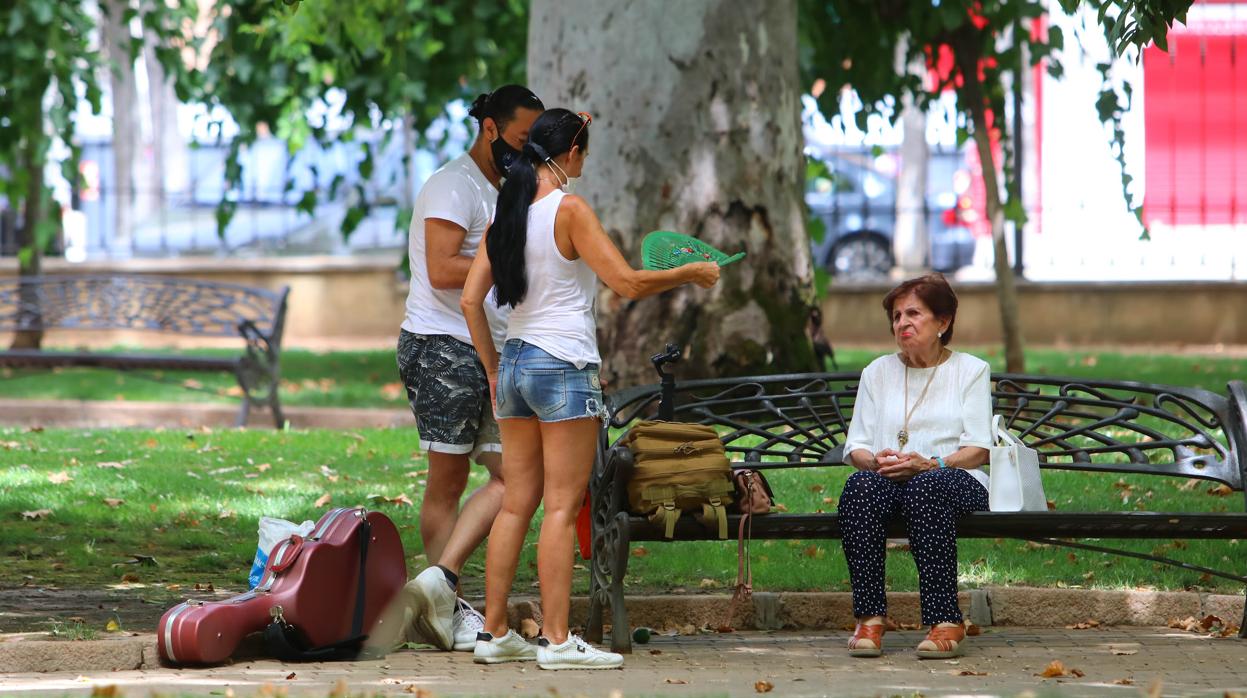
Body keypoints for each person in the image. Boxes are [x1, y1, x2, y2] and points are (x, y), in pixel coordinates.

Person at [460, 108, 720, 669]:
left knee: (515, 506)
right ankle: (556, 641)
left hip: (516, 364)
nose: (586, 161)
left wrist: (491, 367)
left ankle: (494, 633)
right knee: (559, 506)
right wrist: (690, 272)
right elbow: (625, 282)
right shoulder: (569, 209)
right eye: (586, 151)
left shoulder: (507, 211)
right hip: (561, 364)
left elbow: (468, 300)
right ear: (570, 155)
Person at [395, 85, 544, 652]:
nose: (528, 153)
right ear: (491, 130)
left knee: (513, 476)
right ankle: (447, 613)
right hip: (441, 346)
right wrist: (508, 261)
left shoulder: (505, 186)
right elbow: (438, 268)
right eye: (523, 140)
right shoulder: (453, 185)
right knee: (448, 482)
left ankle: (441, 587)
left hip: (488, 348)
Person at [838, 273, 992, 659]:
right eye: (896, 316)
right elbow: (856, 445)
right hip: (890, 479)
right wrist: (877, 462)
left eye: (913, 314)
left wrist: (932, 464)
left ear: (943, 322)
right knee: (859, 487)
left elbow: (978, 448)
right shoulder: (877, 372)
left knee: (927, 487)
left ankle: (946, 620)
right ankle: (870, 618)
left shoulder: (970, 370)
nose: (902, 323)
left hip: (958, 478)